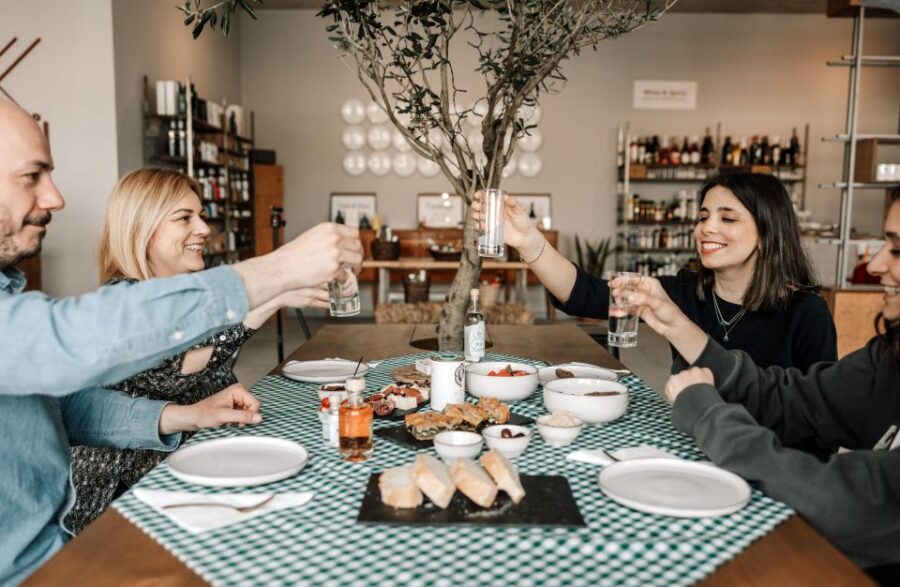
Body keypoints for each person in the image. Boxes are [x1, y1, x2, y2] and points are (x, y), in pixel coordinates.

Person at [0, 99, 363, 585]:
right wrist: (278, 268)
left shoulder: (10, 295)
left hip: (62, 546)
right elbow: (81, 337)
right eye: (31, 176)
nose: (56, 198)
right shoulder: (108, 306)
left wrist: (183, 415)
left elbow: (64, 408)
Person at [611, 187, 900, 583]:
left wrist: (708, 412)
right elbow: (788, 396)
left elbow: (842, 499)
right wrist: (676, 325)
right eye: (703, 216)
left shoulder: (807, 310)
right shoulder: (887, 358)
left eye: (897, 250)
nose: (877, 264)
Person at [65, 169, 330, 534]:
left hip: (194, 459)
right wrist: (272, 294)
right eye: (185, 218)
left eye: (201, 215)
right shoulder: (123, 298)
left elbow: (204, 358)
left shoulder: (182, 289)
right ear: (143, 227)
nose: (204, 228)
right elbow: (178, 368)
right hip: (133, 491)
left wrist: (277, 297)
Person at [473, 173, 836, 370]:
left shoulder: (806, 313)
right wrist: (526, 240)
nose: (706, 228)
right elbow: (584, 294)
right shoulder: (684, 291)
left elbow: (819, 423)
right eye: (703, 216)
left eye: (727, 218)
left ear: (768, 232)